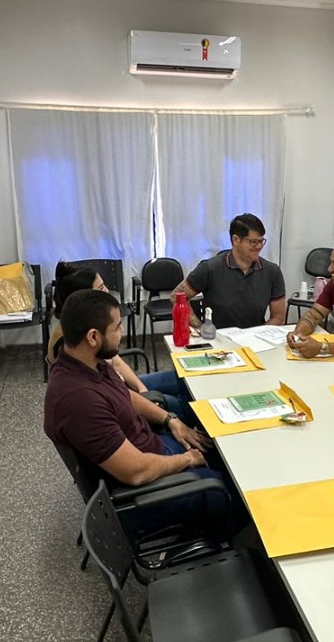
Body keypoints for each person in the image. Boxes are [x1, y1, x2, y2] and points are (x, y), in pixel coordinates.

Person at [44, 289, 230, 536]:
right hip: (140, 494)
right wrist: (187, 459)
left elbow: (123, 395)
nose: (121, 333)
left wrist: (169, 419)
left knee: (227, 451)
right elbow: (136, 472)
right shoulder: (78, 399)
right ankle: (220, 541)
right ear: (93, 337)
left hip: (153, 450)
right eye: (117, 327)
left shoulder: (88, 363)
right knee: (236, 493)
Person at [46, 263, 195, 427]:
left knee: (184, 379)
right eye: (101, 288)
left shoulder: (84, 324)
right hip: (119, 398)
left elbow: (115, 362)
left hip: (119, 385)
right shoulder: (72, 343)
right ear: (84, 297)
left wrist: (142, 389)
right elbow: (113, 394)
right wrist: (153, 404)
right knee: (187, 406)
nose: (107, 291)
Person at [174, 214, 286, 330]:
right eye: (253, 242)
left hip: (255, 337)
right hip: (218, 336)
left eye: (261, 241)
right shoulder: (210, 268)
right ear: (236, 240)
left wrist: (255, 334)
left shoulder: (272, 272)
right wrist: (200, 327)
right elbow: (176, 297)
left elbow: (278, 317)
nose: (259, 246)